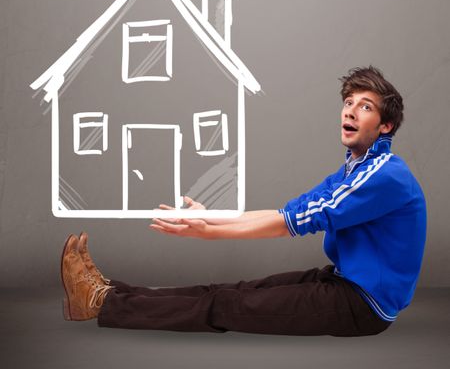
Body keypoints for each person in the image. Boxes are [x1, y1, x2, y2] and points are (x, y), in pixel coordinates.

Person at [61, 66, 426, 336]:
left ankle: (100, 303)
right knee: (227, 291)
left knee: (224, 306)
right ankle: (109, 291)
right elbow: (290, 211)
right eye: (348, 102)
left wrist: (209, 232)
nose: (349, 111)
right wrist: (212, 218)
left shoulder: (384, 176)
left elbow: (292, 224)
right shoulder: (354, 170)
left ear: (385, 126)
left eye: (364, 107)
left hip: (361, 306)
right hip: (341, 281)